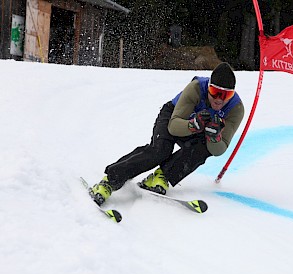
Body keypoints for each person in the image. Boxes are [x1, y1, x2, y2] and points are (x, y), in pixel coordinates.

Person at [90, 62, 245, 206]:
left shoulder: (235, 109)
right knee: (160, 150)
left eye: (226, 95)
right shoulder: (196, 88)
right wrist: (193, 124)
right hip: (173, 118)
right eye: (215, 92)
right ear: (208, 87)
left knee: (202, 150)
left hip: (197, 130)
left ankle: (162, 176)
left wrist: (214, 137)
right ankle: (110, 180)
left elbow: (218, 149)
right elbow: (173, 127)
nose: (219, 99)